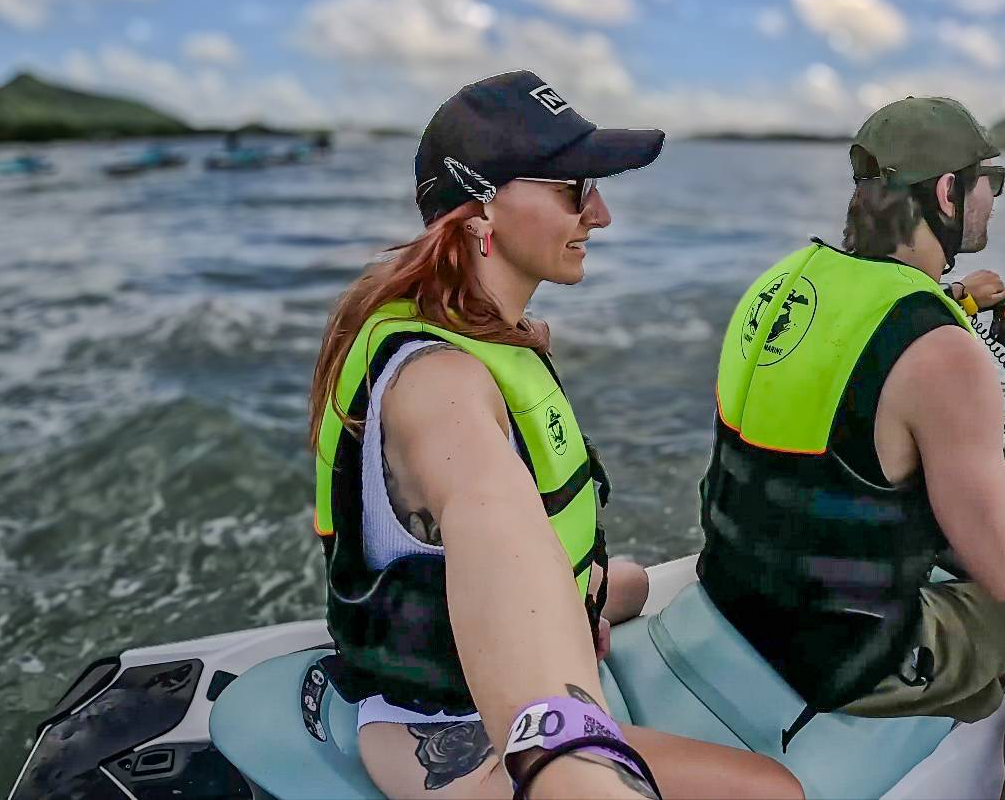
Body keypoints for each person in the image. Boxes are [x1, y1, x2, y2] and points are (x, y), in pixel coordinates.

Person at [309, 71, 801, 800]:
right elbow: (488, 510)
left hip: (463, 648)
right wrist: (568, 756)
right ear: (482, 207)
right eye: (573, 188)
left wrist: (588, 601)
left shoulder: (467, 327)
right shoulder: (441, 383)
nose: (598, 214)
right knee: (774, 791)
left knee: (632, 581)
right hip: (450, 724)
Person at [697, 96, 1005, 799]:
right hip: (843, 655)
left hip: (733, 592)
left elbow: (854, 351)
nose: (992, 201)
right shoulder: (941, 352)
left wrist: (955, 300)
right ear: (947, 190)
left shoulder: (783, 280)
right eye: (989, 182)